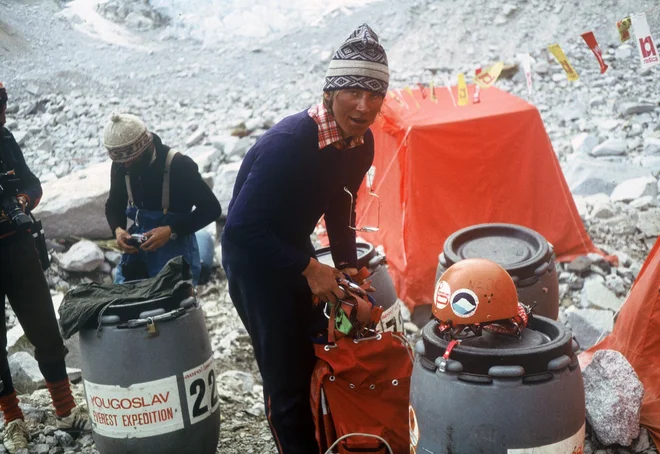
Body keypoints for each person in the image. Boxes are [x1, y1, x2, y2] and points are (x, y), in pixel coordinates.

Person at [221, 23, 389, 453]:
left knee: (318, 356)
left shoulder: (360, 142)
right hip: (254, 264)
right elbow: (240, 230)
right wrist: (310, 268)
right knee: (285, 377)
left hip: (295, 251)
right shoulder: (289, 145)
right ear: (330, 93)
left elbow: (342, 203)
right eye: (354, 92)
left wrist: (347, 265)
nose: (364, 106)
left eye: (376, 95)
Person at [0, 82, 91, 453]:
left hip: (19, 249)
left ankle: (66, 411)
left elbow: (32, 183)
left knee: (46, 331)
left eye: (3, 109)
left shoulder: (4, 139)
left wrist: (21, 200)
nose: (3, 117)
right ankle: (12, 421)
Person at [104, 113, 222, 285]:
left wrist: (171, 231)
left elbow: (212, 209)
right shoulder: (122, 164)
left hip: (176, 244)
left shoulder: (179, 165)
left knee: (173, 302)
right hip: (140, 245)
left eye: (130, 160)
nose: (125, 166)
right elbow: (114, 204)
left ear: (144, 147)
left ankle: (202, 264)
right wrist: (118, 230)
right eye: (120, 162)